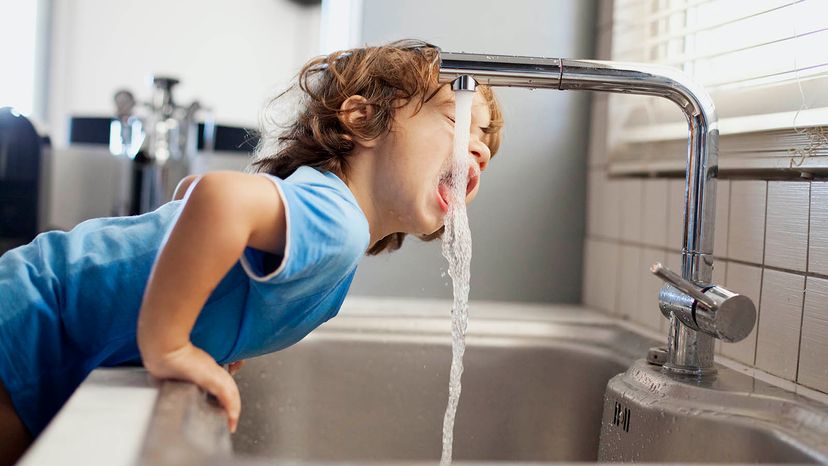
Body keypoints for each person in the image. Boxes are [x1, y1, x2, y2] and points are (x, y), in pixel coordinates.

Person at [0, 39, 503, 465]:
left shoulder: (321, 210)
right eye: (456, 119)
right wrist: (172, 343)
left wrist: (206, 321)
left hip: (43, 316)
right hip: (33, 319)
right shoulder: (339, 221)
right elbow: (215, 198)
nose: (478, 148)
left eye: (485, 141)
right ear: (362, 119)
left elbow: (190, 194)